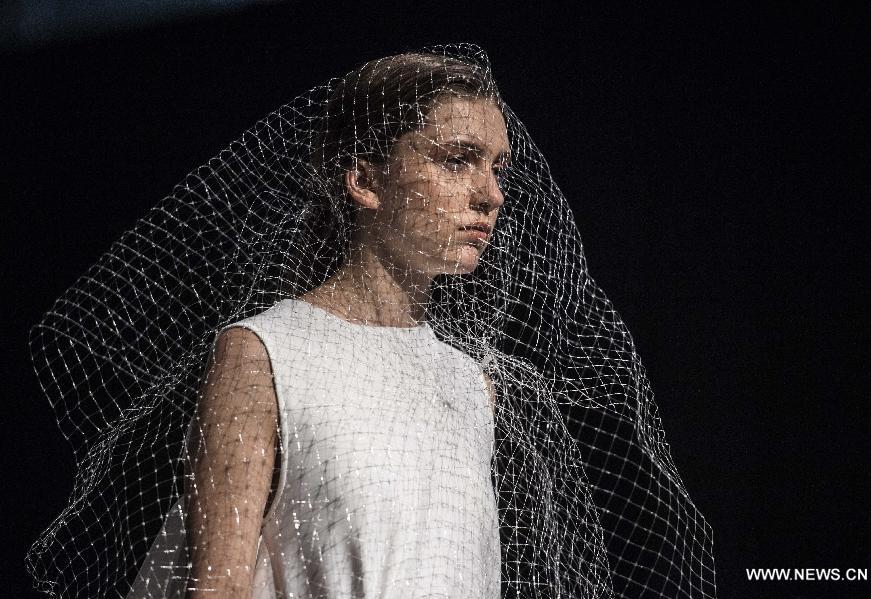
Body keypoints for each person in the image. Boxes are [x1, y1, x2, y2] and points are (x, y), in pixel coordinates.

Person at [26, 45, 717, 599]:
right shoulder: (263, 353)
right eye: (456, 160)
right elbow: (217, 586)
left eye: (497, 166)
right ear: (364, 180)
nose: (492, 194)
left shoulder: (472, 384)